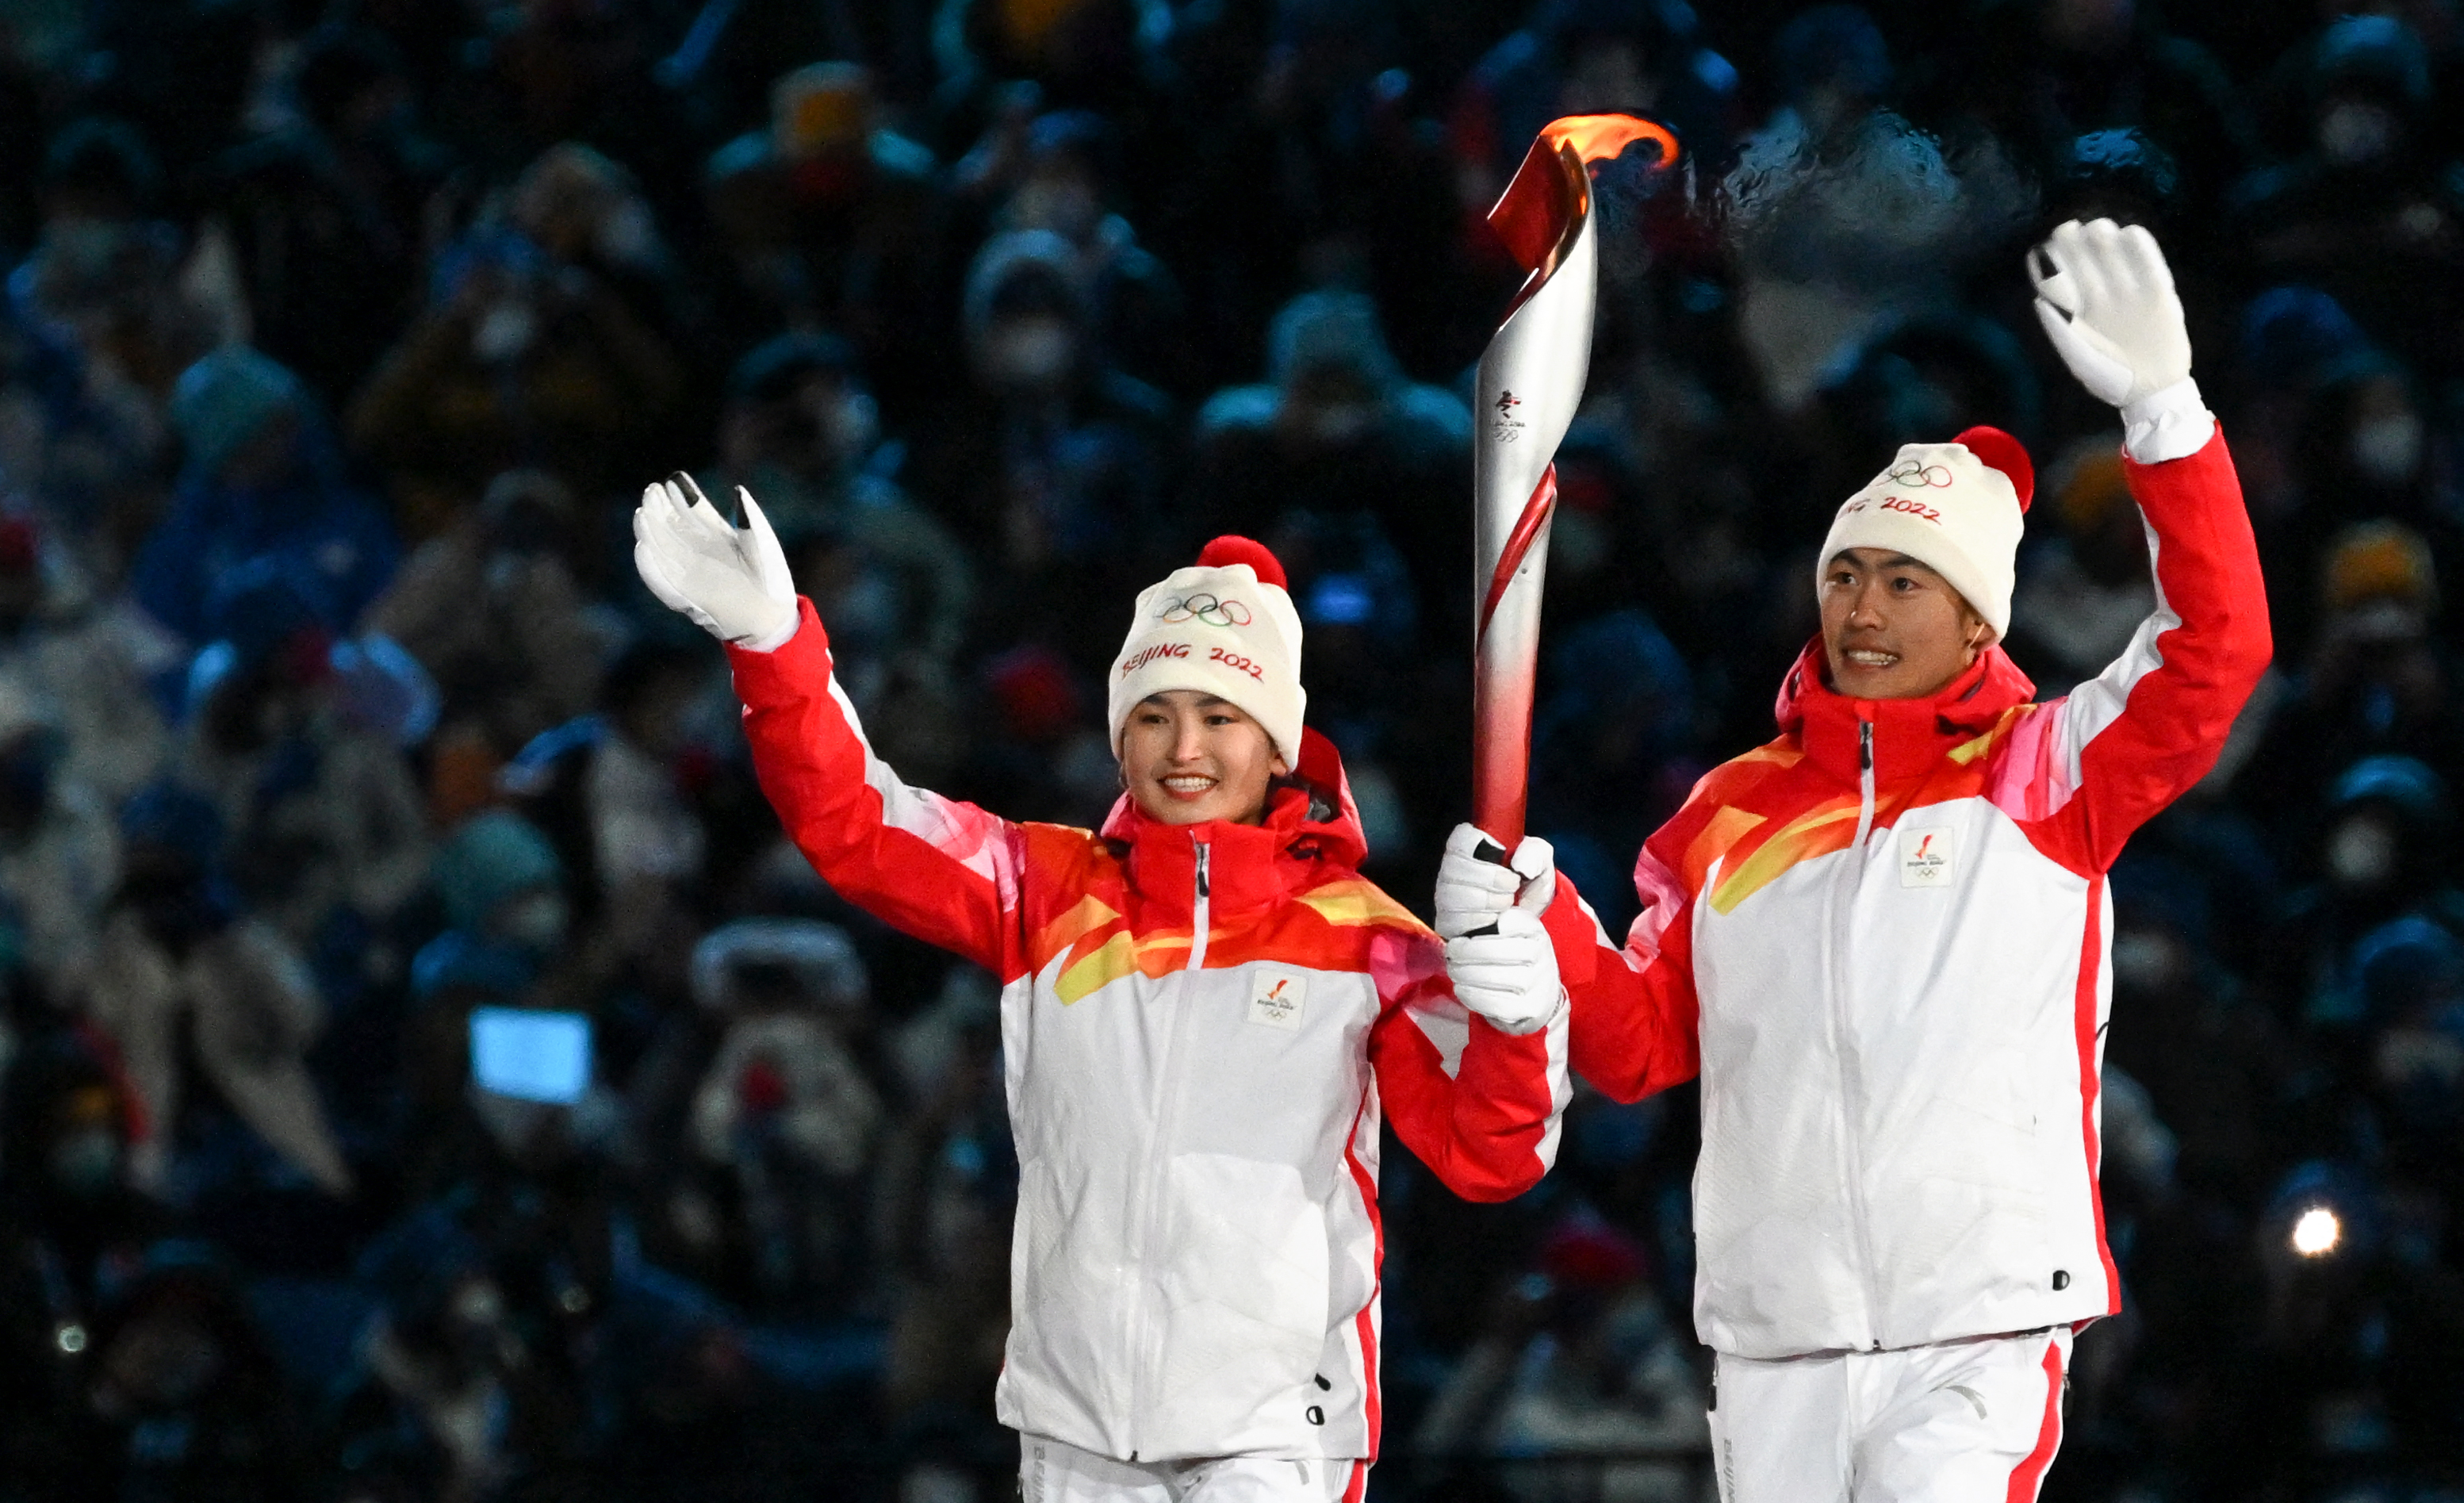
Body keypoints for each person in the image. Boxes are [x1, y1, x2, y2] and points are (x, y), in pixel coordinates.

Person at [1444, 219, 2270, 1502]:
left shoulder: (2046, 768)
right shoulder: (1729, 811)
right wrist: (1539, 932)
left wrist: (2165, 417)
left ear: (1978, 618)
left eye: (1905, 581)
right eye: (1848, 574)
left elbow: (2214, 651)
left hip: (1974, 1312)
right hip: (1777, 1329)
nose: (1865, 607)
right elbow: (1642, 1043)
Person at [630, 486, 1569, 1498]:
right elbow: (858, 823)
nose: (1184, 748)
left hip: (1269, 1431)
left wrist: (1519, 1025)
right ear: (1120, 738)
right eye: (1154, 715)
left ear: (1277, 742)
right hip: (1078, 1426)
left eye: (1220, 715)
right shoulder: (1043, 889)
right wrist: (774, 648)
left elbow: (1489, 1157)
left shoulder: (1371, 942)